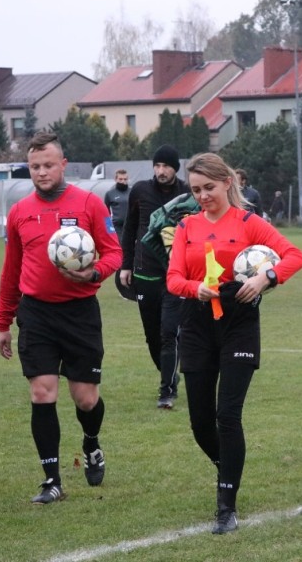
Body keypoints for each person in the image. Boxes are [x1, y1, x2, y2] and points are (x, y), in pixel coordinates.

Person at [166, 152, 302, 535]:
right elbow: (173, 278)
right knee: (199, 422)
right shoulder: (186, 228)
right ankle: (228, 464)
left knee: (227, 415)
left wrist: (266, 278)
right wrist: (196, 288)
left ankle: (226, 505)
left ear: (227, 182)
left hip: (239, 324)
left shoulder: (250, 223)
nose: (202, 196)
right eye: (195, 190)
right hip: (197, 323)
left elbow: (296, 256)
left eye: (209, 187)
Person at [0, 132, 122, 504]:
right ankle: (51, 481)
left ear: (63, 164)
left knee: (85, 399)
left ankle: (92, 443)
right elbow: (11, 270)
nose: (41, 172)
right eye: (34, 167)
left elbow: (114, 253)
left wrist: (95, 272)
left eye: (48, 165)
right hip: (36, 314)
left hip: (80, 313)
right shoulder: (19, 212)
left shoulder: (89, 204)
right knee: (41, 392)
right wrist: (4, 322)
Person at [120, 144, 190, 409]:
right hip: (145, 274)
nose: (161, 171)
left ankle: (167, 391)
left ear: (175, 168)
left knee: (168, 333)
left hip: (176, 275)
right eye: (157, 166)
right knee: (153, 336)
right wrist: (125, 265)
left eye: (166, 166)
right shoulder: (139, 191)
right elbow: (129, 230)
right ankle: (169, 374)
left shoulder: (187, 193)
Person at [104, 169, 130, 242]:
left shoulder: (132, 192)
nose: (123, 181)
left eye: (125, 179)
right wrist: (109, 230)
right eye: (120, 179)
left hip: (130, 226)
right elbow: (106, 213)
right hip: (117, 227)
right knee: (120, 248)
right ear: (115, 179)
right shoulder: (110, 194)